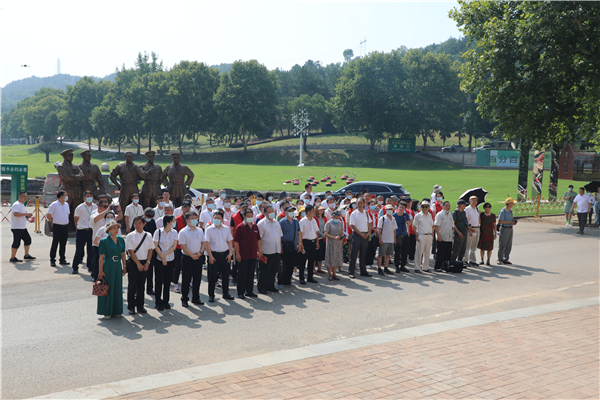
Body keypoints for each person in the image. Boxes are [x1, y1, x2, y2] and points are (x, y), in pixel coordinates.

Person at [97, 220, 127, 319]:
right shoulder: (104, 241)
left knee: (117, 287)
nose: (116, 229)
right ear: (109, 230)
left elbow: (123, 253)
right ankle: (107, 311)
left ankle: (117, 310)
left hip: (118, 265)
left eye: (117, 228)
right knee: (108, 287)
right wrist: (100, 271)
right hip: (108, 265)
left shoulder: (121, 239)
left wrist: (124, 266)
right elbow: (101, 257)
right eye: (114, 228)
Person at [125, 216, 155, 314]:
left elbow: (151, 249)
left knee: (141, 285)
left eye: (139, 223)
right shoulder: (130, 235)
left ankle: (140, 306)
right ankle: (131, 306)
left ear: (144, 224)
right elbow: (130, 251)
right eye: (135, 223)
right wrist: (138, 264)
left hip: (145, 262)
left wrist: (148, 262)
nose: (137, 225)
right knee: (132, 285)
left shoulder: (148, 235)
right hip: (134, 263)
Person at [204, 211, 235, 303]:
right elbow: (207, 243)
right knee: (212, 277)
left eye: (219, 218)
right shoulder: (209, 229)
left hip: (225, 255)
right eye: (215, 218)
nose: (217, 219)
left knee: (226, 276)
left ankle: (226, 293)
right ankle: (211, 295)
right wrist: (210, 256)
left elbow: (229, 242)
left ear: (222, 219)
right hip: (214, 255)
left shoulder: (226, 229)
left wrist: (230, 254)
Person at [178, 212, 207, 307]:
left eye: (196, 218)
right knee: (186, 279)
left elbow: (203, 242)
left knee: (197, 279)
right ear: (187, 220)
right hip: (187, 258)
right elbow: (183, 246)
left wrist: (200, 252)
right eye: (192, 218)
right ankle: (184, 299)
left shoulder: (200, 230)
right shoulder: (183, 232)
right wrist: (191, 255)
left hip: (198, 257)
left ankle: (196, 298)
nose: (195, 220)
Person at [90, 196, 122, 281]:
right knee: (97, 262)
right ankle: (96, 277)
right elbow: (96, 219)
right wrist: (106, 211)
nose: (106, 208)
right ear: (99, 207)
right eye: (104, 206)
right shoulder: (94, 214)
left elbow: (119, 217)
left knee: (107, 263)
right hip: (98, 244)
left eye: (107, 206)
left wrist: (119, 209)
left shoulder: (110, 215)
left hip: (110, 247)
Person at [234, 209, 262, 298]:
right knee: (242, 274)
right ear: (244, 216)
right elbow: (236, 241)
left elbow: (258, 239)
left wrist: (259, 250)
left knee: (250, 274)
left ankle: (249, 291)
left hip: (253, 254)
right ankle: (240, 292)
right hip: (243, 255)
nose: (250, 217)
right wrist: (237, 254)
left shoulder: (255, 226)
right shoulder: (240, 227)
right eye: (248, 216)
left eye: (251, 215)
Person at [153, 214, 178, 309]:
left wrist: (165, 255)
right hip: (159, 260)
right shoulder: (158, 232)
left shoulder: (174, 232)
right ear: (168, 222)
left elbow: (174, 246)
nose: (174, 223)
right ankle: (158, 302)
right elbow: (155, 245)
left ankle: (166, 301)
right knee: (158, 281)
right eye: (173, 221)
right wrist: (162, 257)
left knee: (167, 281)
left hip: (171, 259)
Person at [257, 206, 283, 295]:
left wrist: (280, 248)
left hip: (276, 250)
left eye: (273, 211)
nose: (272, 212)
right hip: (266, 251)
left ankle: (271, 285)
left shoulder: (276, 222)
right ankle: (262, 287)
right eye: (270, 211)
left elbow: (279, 236)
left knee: (273, 269)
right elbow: (258, 239)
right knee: (265, 270)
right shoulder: (261, 224)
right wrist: (259, 250)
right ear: (264, 213)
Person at [70, 190, 98, 274]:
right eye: (87, 196)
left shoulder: (95, 207)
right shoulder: (80, 207)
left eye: (91, 196)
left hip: (91, 230)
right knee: (79, 250)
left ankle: (90, 266)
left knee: (91, 250)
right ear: (84, 198)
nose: (89, 198)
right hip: (82, 230)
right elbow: (76, 219)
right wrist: (78, 228)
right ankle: (75, 267)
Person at [348, 198, 372, 279]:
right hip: (357, 235)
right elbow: (352, 226)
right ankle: (351, 271)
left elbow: (370, 223)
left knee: (363, 254)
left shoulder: (366, 213)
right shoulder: (354, 214)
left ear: (364, 204)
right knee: (354, 254)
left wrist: (368, 233)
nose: (359, 204)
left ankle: (363, 271)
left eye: (361, 203)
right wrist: (361, 234)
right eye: (358, 203)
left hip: (365, 235)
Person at [172, 201, 192, 293]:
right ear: (182, 208)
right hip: (179, 247)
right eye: (185, 207)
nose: (187, 209)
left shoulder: (192, 219)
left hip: (189, 246)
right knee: (177, 266)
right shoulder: (177, 219)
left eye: (188, 207)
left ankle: (188, 281)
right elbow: (174, 233)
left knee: (188, 266)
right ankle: (175, 283)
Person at [10, 191, 34, 263]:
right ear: (19, 197)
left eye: (26, 196)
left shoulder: (22, 205)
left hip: (22, 227)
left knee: (28, 240)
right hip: (16, 227)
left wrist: (29, 219)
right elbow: (15, 214)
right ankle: (12, 257)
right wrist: (26, 214)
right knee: (16, 242)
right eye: (24, 196)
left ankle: (26, 255)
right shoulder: (16, 205)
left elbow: (24, 216)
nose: (25, 198)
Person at [47, 191, 70, 267]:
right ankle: (52, 260)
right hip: (57, 226)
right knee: (55, 243)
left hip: (65, 226)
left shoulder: (66, 204)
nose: (66, 197)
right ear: (61, 197)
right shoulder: (54, 205)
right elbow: (49, 215)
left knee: (63, 244)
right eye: (65, 195)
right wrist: (53, 221)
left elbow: (68, 214)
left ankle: (62, 259)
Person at [279, 206, 301, 286]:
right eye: (290, 211)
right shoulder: (282, 221)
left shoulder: (295, 221)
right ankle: (281, 282)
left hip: (293, 246)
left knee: (291, 265)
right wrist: (280, 247)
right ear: (285, 212)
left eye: (293, 211)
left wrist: (299, 244)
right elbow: (280, 235)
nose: (292, 212)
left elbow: (299, 232)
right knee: (283, 265)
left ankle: (288, 281)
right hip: (285, 246)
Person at [299, 204, 320, 284]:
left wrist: (317, 242)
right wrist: (301, 244)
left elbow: (316, 231)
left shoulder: (314, 220)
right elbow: (300, 233)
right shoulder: (302, 221)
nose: (314, 212)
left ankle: (310, 277)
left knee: (312, 261)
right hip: (305, 242)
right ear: (308, 212)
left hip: (313, 242)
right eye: (312, 211)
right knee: (303, 261)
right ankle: (301, 278)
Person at [93, 211, 115, 279]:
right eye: (108, 217)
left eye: (112, 217)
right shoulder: (101, 229)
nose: (110, 218)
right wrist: (103, 247)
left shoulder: (117, 229)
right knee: (99, 265)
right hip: (102, 250)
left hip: (112, 251)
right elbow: (95, 241)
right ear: (105, 219)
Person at [413, 201, 434, 273]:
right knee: (419, 252)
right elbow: (414, 226)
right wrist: (416, 234)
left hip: (429, 235)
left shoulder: (430, 215)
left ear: (428, 207)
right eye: (422, 206)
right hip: (421, 235)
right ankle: (417, 267)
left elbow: (432, 226)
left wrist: (432, 235)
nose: (424, 208)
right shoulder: (418, 215)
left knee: (427, 252)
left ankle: (425, 267)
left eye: (426, 206)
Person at [376, 205, 398, 276]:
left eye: (391, 209)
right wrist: (380, 239)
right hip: (384, 239)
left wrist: (394, 238)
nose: (390, 210)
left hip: (391, 240)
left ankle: (386, 268)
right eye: (389, 209)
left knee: (388, 255)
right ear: (385, 210)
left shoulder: (393, 218)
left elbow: (394, 229)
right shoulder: (382, 218)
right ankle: (379, 268)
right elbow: (378, 229)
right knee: (381, 255)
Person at [433, 201, 454, 272]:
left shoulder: (450, 215)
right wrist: (438, 236)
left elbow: (452, 226)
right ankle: (437, 267)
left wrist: (452, 236)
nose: (448, 207)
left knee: (448, 254)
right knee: (440, 253)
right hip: (442, 237)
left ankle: (445, 266)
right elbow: (436, 226)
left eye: (449, 206)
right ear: (443, 206)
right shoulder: (440, 215)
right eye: (446, 206)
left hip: (449, 238)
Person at [323, 209, 344, 281]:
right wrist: (334, 237)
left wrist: (342, 236)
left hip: (338, 243)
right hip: (331, 243)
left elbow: (342, 231)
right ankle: (330, 274)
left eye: (339, 217)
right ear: (333, 217)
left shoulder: (340, 223)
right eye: (337, 217)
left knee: (336, 258)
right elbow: (326, 233)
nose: (338, 219)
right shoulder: (328, 223)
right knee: (330, 258)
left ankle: (334, 274)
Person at [392, 202, 411, 273]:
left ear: (405, 209)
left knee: (405, 251)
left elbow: (408, 223)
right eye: (400, 207)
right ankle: (397, 266)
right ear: (398, 207)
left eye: (403, 208)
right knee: (397, 251)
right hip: (397, 235)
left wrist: (408, 230)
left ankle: (403, 266)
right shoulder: (394, 215)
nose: (401, 209)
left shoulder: (405, 215)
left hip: (404, 235)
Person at [497, 198, 517, 264]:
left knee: (509, 244)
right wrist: (509, 222)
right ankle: (500, 259)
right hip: (504, 228)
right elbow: (500, 221)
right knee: (502, 244)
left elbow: (511, 219)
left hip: (510, 228)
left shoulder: (510, 211)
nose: (513, 204)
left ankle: (506, 258)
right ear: (509, 203)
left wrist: (513, 221)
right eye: (512, 203)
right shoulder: (503, 211)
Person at [143, 208, 157, 296]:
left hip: (149, 248)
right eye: (148, 217)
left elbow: (154, 234)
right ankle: (137, 288)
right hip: (140, 248)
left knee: (150, 269)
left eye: (151, 217)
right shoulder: (138, 221)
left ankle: (149, 288)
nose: (149, 219)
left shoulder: (152, 222)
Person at [464, 196, 481, 266]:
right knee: (468, 245)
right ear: (469, 201)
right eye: (473, 200)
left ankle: (472, 260)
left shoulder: (476, 209)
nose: (475, 201)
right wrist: (470, 229)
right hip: (470, 228)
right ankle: (465, 260)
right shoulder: (467, 209)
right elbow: (466, 220)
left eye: (476, 200)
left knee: (474, 245)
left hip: (477, 228)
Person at [314, 206, 328, 274]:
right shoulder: (314, 218)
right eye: (320, 209)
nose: (321, 210)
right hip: (317, 237)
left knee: (321, 254)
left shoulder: (325, 217)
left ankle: (319, 268)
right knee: (315, 255)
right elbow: (316, 228)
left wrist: (325, 234)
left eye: (322, 209)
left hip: (323, 238)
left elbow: (326, 227)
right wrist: (322, 234)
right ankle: (313, 269)